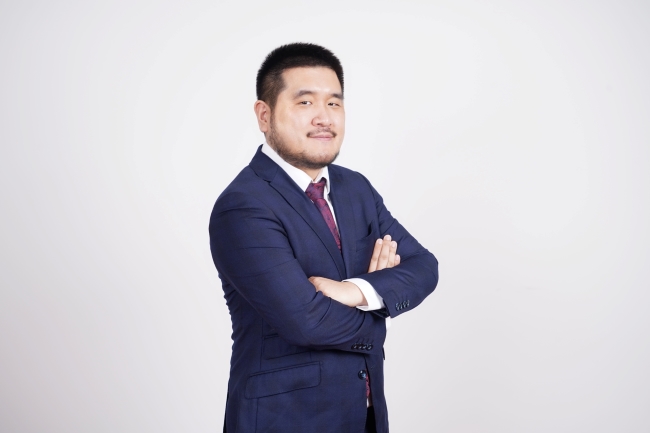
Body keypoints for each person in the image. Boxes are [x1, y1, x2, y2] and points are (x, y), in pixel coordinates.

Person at [209, 42, 439, 433]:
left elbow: (424, 267)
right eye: (305, 102)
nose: (324, 118)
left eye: (334, 103)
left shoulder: (355, 189)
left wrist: (354, 291)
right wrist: (379, 309)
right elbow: (307, 322)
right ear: (264, 115)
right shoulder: (244, 206)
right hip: (285, 419)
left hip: (365, 416)